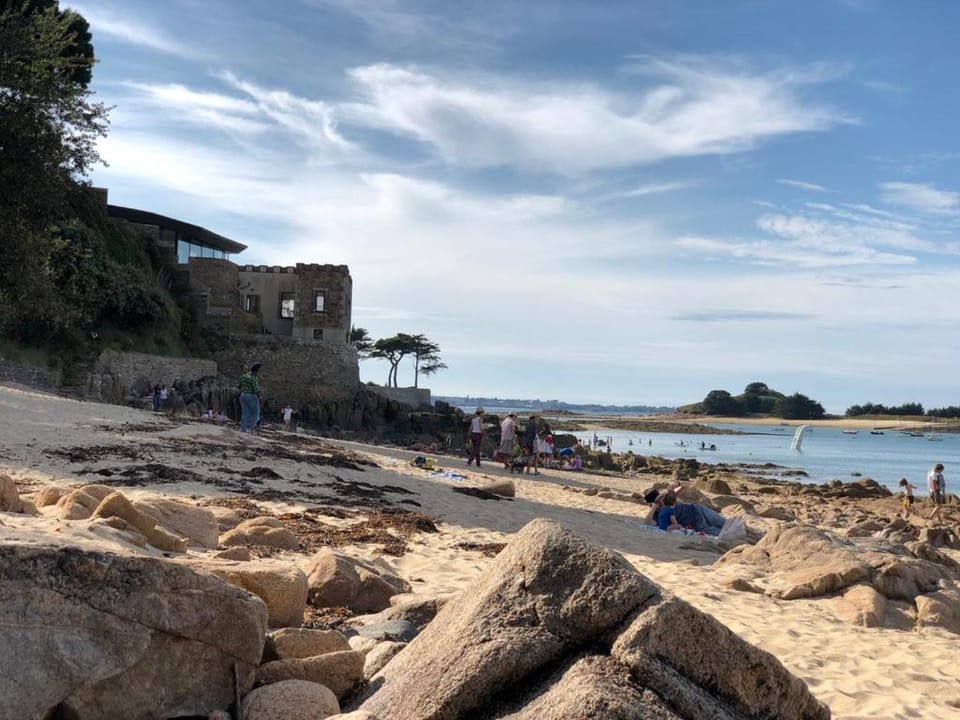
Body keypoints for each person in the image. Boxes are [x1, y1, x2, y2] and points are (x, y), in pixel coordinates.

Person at [644, 491, 726, 536]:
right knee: (723, 533)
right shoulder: (656, 514)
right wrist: (654, 507)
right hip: (697, 524)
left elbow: (674, 491)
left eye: (661, 497)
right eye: (658, 500)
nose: (661, 500)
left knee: (725, 523)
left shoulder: (668, 499)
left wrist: (662, 496)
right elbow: (647, 523)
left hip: (698, 509)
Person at [238, 362, 262, 433]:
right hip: (251, 395)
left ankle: (243, 429)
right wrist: (260, 397)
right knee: (255, 413)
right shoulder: (253, 378)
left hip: (243, 395)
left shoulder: (243, 377)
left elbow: (239, 386)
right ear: (256, 371)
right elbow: (256, 389)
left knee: (245, 413)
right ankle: (251, 428)